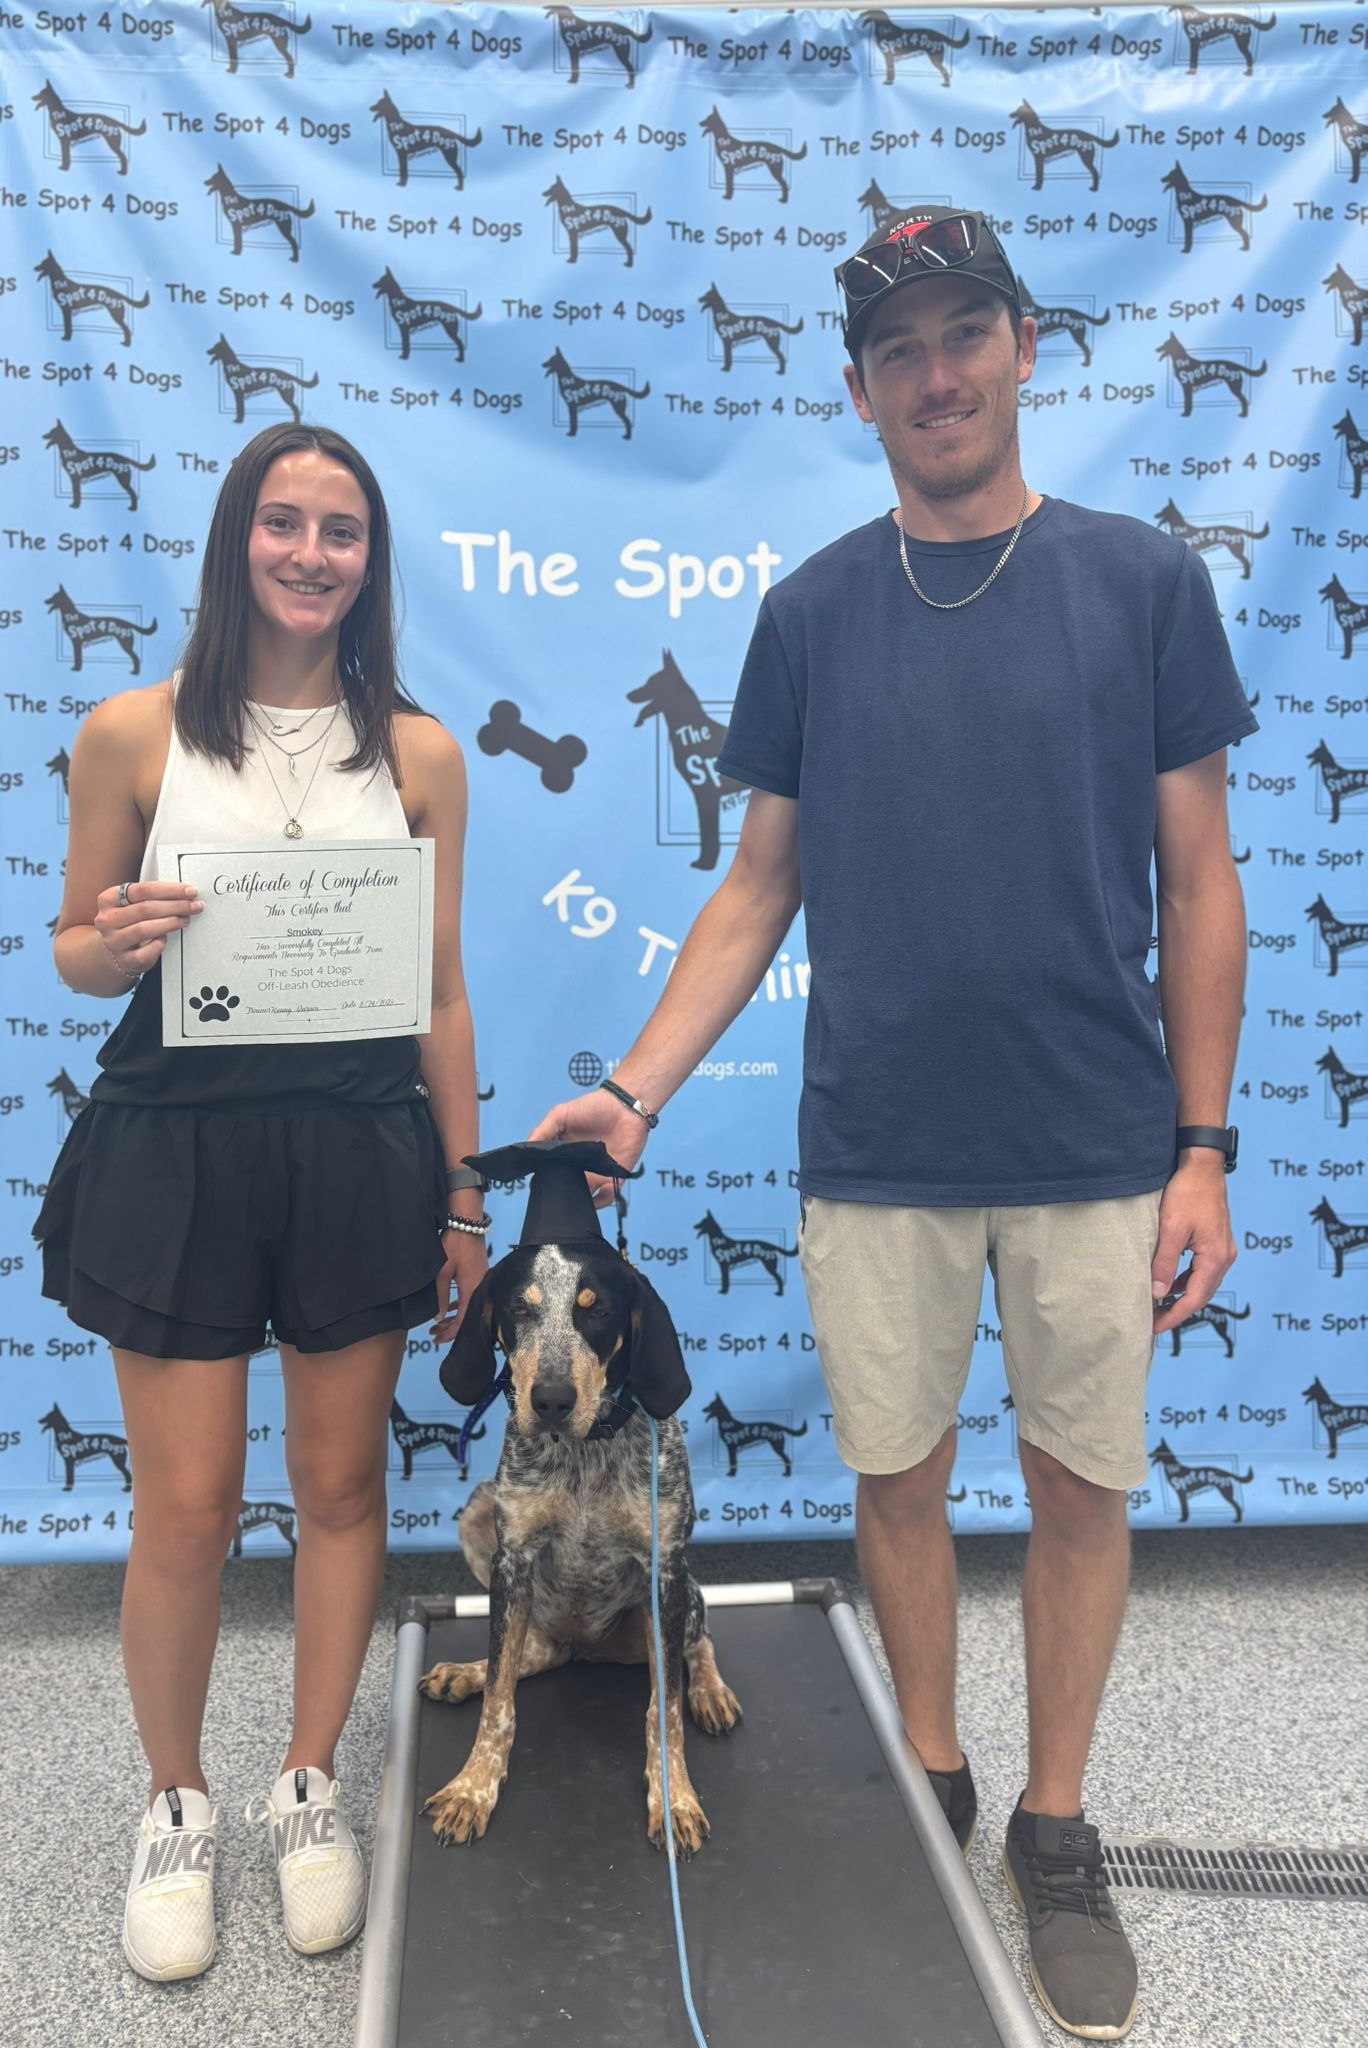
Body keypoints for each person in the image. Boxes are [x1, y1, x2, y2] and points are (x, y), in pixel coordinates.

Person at [531, 211, 1256, 2041]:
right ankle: (933, 1779)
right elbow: (756, 887)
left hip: (1101, 1143)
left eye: (964, 333)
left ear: (1025, 344)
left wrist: (1205, 1146)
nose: (936, 375)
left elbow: (1202, 879)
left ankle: (1056, 1818)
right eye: (898, 351)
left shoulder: (1146, 583)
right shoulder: (812, 615)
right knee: (902, 1485)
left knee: (1084, 1491)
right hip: (881, 1143)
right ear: (857, 392)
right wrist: (630, 1089)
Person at [34, 421, 488, 1982]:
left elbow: (438, 996)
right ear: (239, 543)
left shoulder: (421, 756)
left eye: (341, 531)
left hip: (361, 1145)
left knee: (345, 1488)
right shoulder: (131, 734)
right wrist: (121, 932)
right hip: (177, 1145)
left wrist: (465, 1202)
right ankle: (174, 1805)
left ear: (371, 563)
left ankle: (308, 1786)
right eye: (284, 524)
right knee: (187, 1509)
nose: (311, 553)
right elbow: (73, 950)